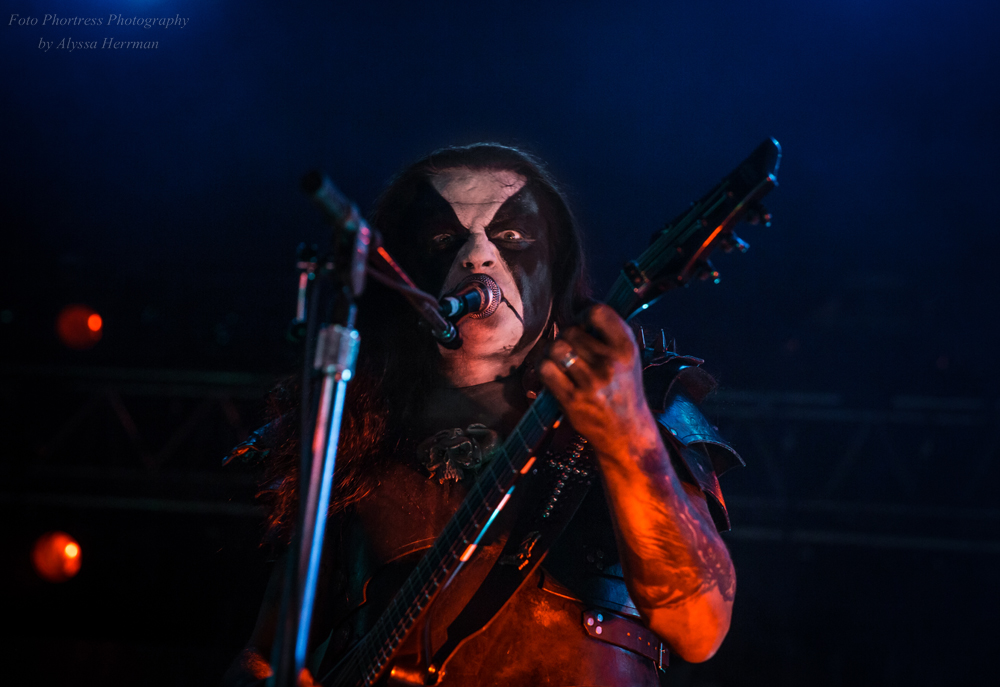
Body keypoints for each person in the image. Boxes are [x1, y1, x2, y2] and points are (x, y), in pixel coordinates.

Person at [223, 143, 740, 687]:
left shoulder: (643, 400)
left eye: (511, 237)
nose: (477, 256)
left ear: (557, 268)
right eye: (445, 239)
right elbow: (266, 653)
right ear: (401, 275)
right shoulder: (351, 433)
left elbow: (700, 628)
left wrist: (628, 428)